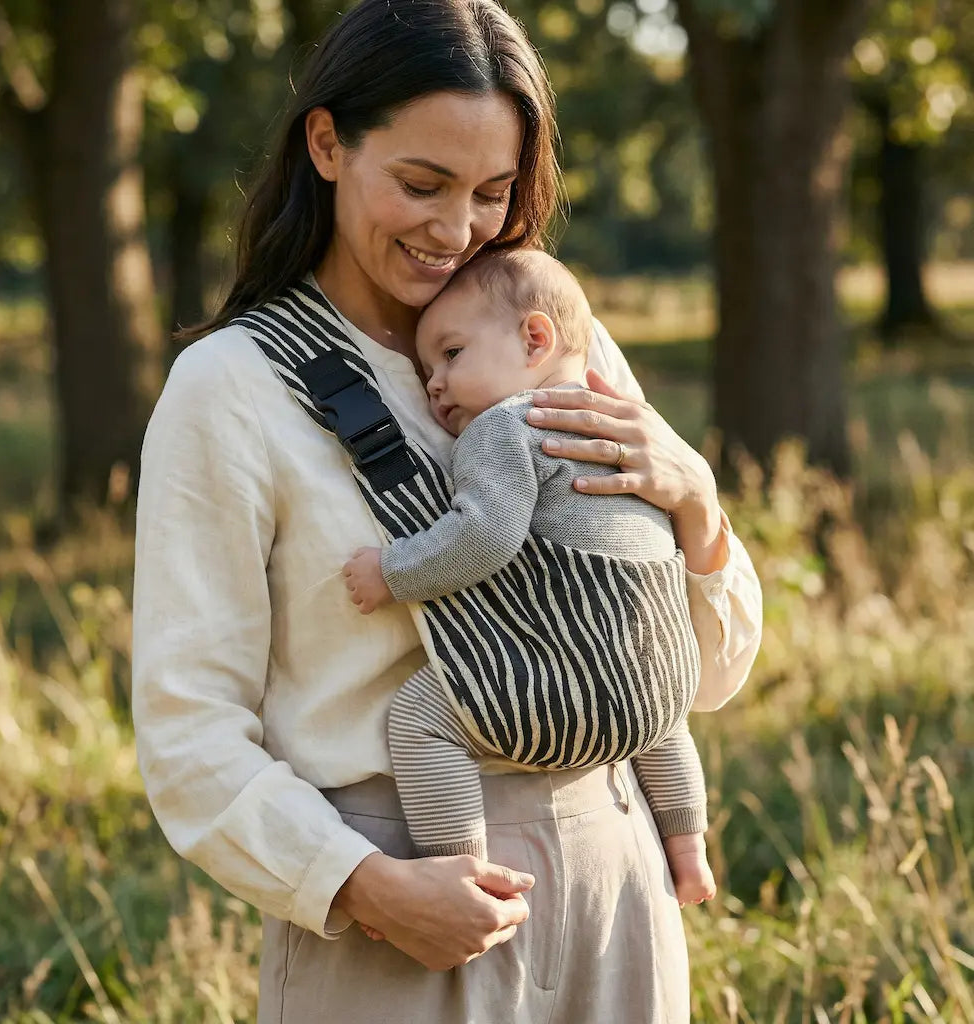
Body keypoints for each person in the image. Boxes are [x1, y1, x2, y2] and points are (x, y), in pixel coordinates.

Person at [132, 1, 763, 1021]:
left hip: (620, 870)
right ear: (328, 143)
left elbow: (711, 673)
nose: (454, 229)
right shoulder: (230, 388)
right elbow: (187, 729)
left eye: (492, 192)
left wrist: (695, 506)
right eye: (421, 184)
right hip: (398, 901)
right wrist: (362, 887)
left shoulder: (558, 343)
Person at [342, 247, 715, 908]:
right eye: (428, 369)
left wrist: (393, 573)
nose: (433, 383)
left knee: (423, 717)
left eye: (451, 354)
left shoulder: (503, 427)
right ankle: (689, 854)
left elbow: (484, 536)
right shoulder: (626, 423)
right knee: (665, 720)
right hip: (662, 678)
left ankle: (463, 870)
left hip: (563, 685)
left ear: (534, 338)